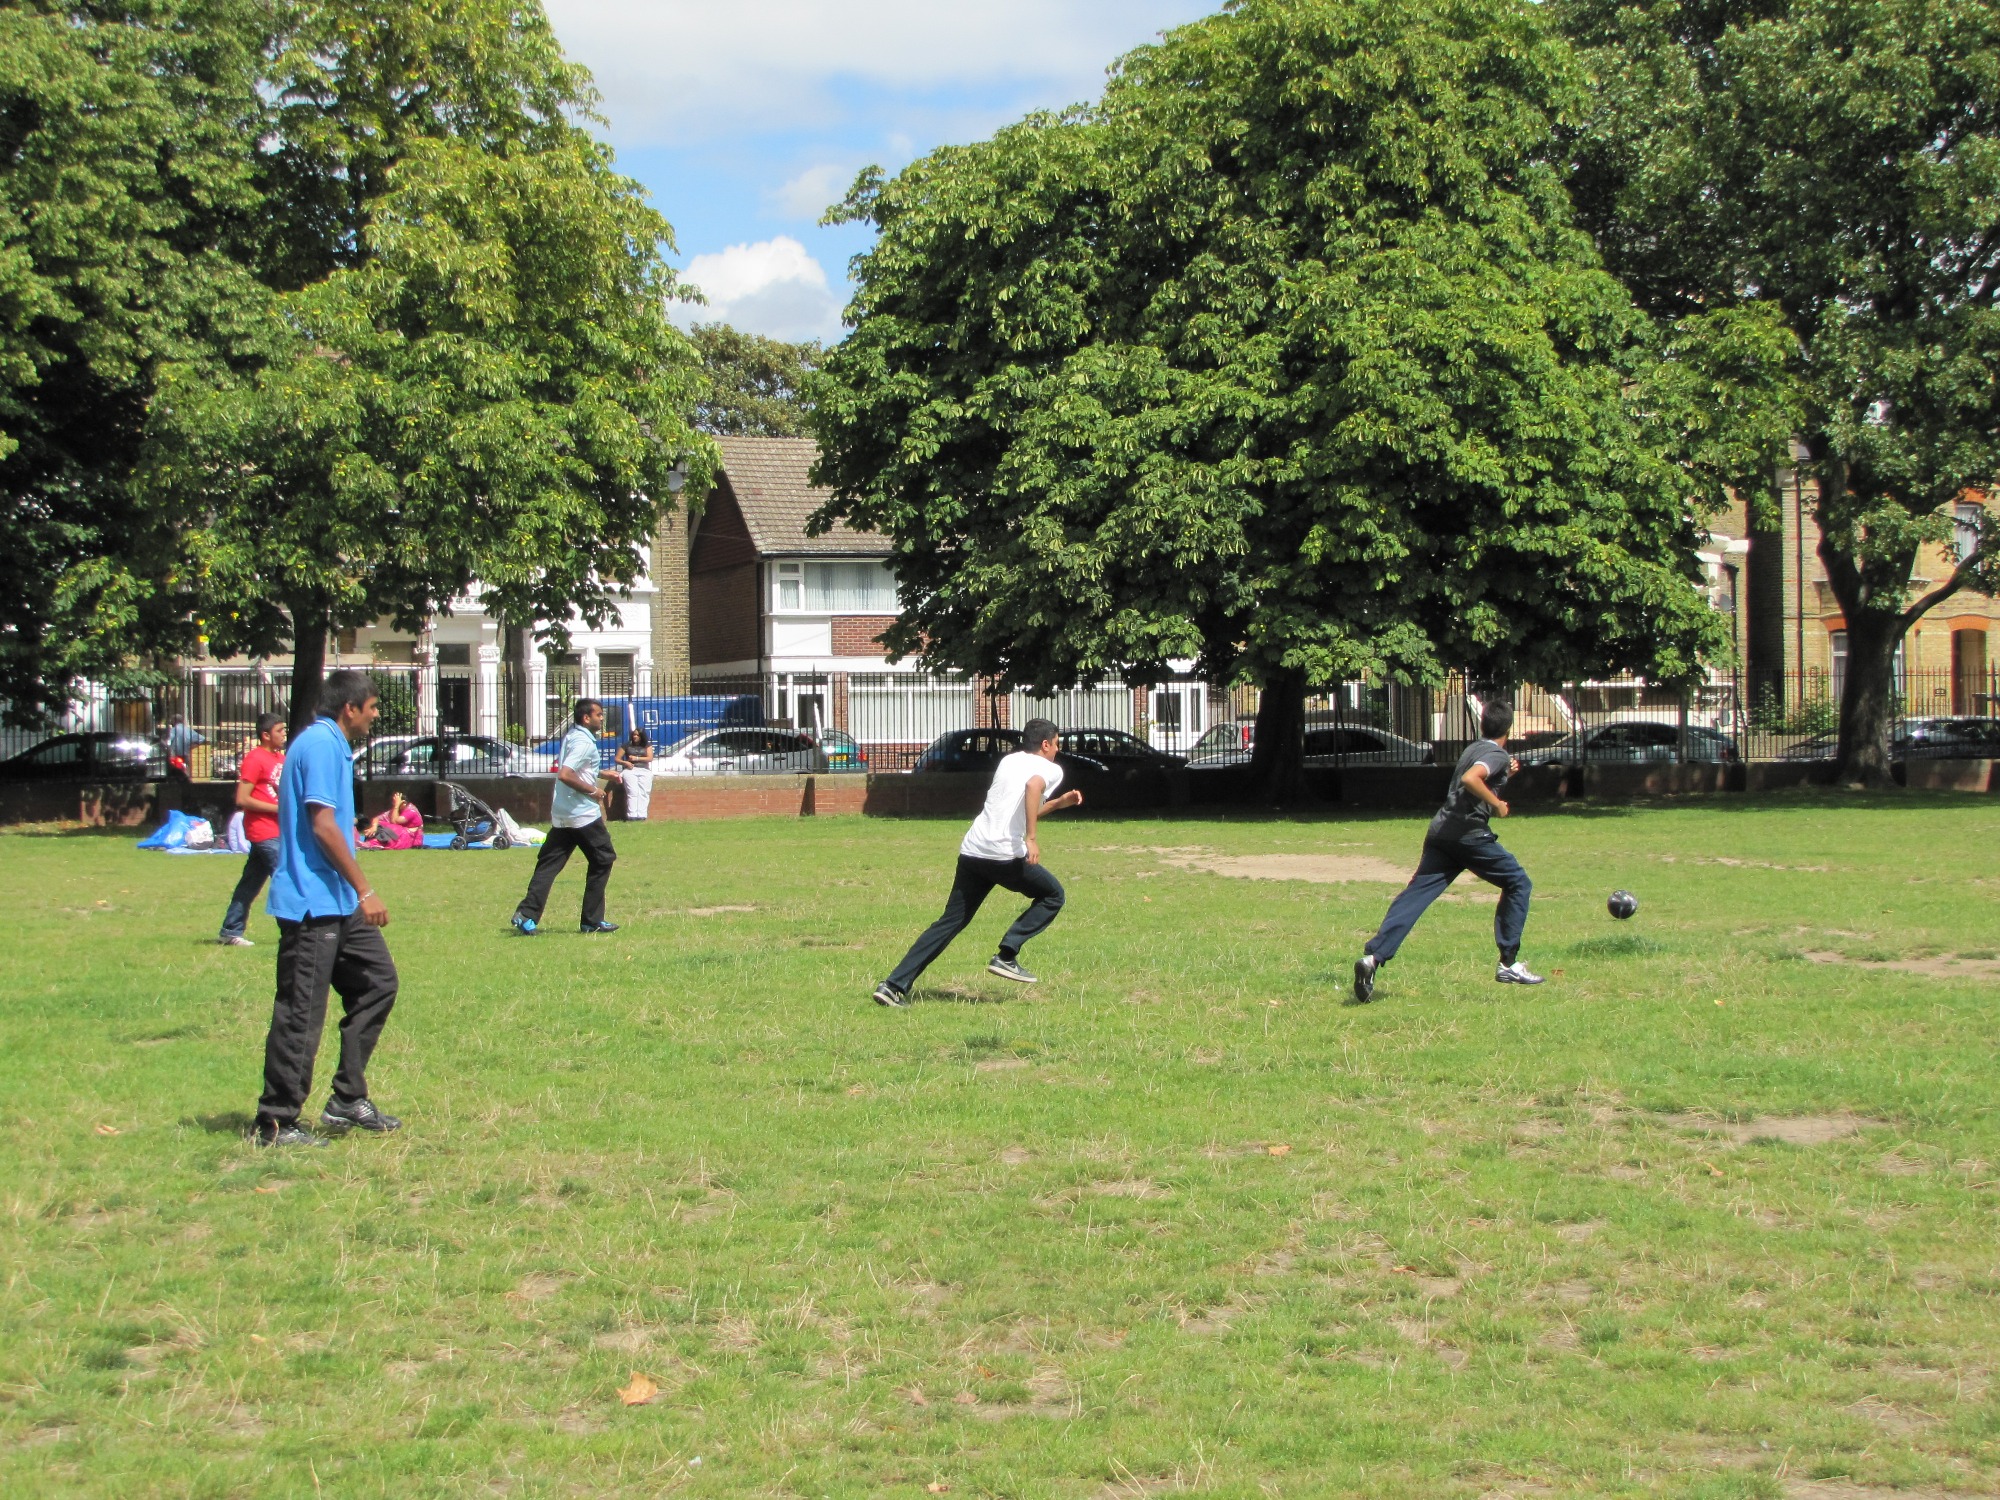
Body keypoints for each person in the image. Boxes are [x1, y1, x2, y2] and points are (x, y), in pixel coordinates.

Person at [254, 670, 402, 1148]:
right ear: (350, 708)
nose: (376, 715)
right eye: (373, 707)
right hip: (312, 904)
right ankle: (277, 1121)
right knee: (302, 1011)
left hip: (336, 901)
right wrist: (365, 889)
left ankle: (346, 1098)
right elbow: (321, 826)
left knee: (378, 982)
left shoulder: (332, 744)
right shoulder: (319, 744)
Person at [873, 718, 1083, 1007]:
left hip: (973, 850)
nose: (1057, 750)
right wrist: (1031, 838)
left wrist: (1059, 803)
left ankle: (893, 985)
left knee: (950, 921)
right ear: (1046, 744)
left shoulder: (1009, 762)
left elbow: (1021, 807)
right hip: (1003, 855)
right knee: (1053, 895)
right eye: (1057, 743)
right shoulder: (1050, 769)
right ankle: (1007, 955)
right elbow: (1034, 788)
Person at [1352, 700, 1541, 1003]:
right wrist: (1497, 803)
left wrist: (1506, 772)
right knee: (1519, 883)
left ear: (1483, 725)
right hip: (1469, 836)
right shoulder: (1495, 754)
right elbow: (1471, 779)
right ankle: (1508, 963)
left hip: (1442, 832)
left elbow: (1477, 776)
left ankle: (1372, 960)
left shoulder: (1474, 749)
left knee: (1415, 896)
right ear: (1509, 728)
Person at [511, 698, 622, 936]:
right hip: (582, 814)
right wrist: (594, 790)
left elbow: (575, 767)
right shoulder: (584, 743)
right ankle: (591, 920)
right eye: (599, 715)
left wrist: (602, 772)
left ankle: (526, 915)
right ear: (586, 718)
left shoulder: (573, 736)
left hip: (562, 813)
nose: (602, 719)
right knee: (603, 859)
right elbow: (565, 774)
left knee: (548, 864)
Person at [217, 714, 287, 946]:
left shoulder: (280, 758)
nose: (283, 734)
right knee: (285, 878)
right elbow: (243, 799)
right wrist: (277, 808)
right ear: (266, 735)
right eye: (279, 730)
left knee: (251, 882)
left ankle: (230, 930)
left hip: (279, 829)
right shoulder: (255, 759)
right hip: (263, 830)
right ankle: (293, 931)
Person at [615, 725, 654, 821]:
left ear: (641, 736)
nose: (635, 737)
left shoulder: (647, 745)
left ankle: (642, 815)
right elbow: (617, 758)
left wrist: (636, 758)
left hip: (644, 770)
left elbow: (650, 758)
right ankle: (632, 815)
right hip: (630, 770)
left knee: (644, 792)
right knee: (632, 791)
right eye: (634, 735)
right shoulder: (626, 745)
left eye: (637, 735)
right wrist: (625, 762)